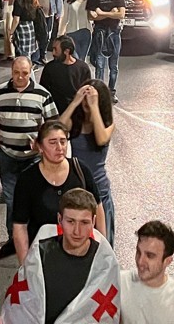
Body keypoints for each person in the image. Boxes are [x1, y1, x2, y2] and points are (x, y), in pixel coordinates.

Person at [0, 188, 121, 323]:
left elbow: (108, 315)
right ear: (59, 219)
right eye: (71, 221)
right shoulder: (41, 253)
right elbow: (23, 307)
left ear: (93, 221)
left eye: (84, 222)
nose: (77, 231)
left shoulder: (105, 264)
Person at [0, 56, 59, 259]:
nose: (20, 77)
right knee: (11, 199)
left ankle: (35, 236)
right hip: (7, 155)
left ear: (31, 71)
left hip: (33, 158)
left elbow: (53, 124)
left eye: (24, 73)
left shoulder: (42, 94)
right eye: (16, 72)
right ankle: (13, 238)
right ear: (11, 70)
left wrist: (41, 143)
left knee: (34, 199)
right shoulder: (0, 92)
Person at [12, 120, 106, 263]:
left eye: (63, 141)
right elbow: (20, 225)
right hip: (43, 256)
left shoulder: (80, 170)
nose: (59, 147)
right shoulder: (27, 179)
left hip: (81, 253)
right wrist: (25, 266)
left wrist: (102, 248)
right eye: (52, 142)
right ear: (40, 146)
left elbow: (98, 208)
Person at [59, 80, 116, 242]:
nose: (86, 103)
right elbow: (57, 128)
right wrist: (75, 101)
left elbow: (101, 139)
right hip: (77, 189)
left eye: (90, 99)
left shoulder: (108, 125)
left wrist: (94, 107)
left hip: (99, 190)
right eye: (84, 99)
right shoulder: (74, 123)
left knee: (101, 243)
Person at [118, 220, 174, 324]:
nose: (140, 261)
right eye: (138, 252)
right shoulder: (118, 283)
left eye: (150, 256)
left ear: (167, 261)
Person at [86, 0, 126, 100]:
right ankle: (99, 93)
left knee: (113, 65)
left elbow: (121, 14)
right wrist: (111, 14)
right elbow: (91, 17)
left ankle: (111, 92)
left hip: (114, 33)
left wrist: (102, 13)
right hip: (99, 33)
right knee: (99, 65)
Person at [42, 34, 92, 114]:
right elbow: (43, 91)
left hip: (76, 113)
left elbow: (87, 92)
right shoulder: (50, 68)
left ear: (67, 51)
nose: (53, 53)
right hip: (55, 112)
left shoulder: (83, 68)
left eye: (56, 50)